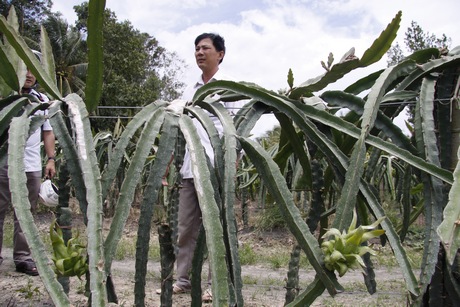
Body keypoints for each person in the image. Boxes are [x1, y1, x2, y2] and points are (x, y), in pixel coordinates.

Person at [171, 33, 242, 302]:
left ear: (220, 54)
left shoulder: (229, 89)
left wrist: (232, 164)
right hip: (190, 169)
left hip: (217, 169)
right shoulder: (189, 90)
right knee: (186, 227)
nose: (200, 52)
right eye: (197, 48)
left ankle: (216, 283)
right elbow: (177, 129)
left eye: (206, 48)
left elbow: (235, 128)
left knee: (217, 227)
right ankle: (183, 279)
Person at [0, 67, 56, 276]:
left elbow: (48, 132)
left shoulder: (42, 99)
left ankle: (22, 258)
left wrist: (50, 159)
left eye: (34, 71)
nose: (30, 75)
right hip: (3, 162)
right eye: (25, 70)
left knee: (25, 213)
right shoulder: (4, 95)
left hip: (31, 165)